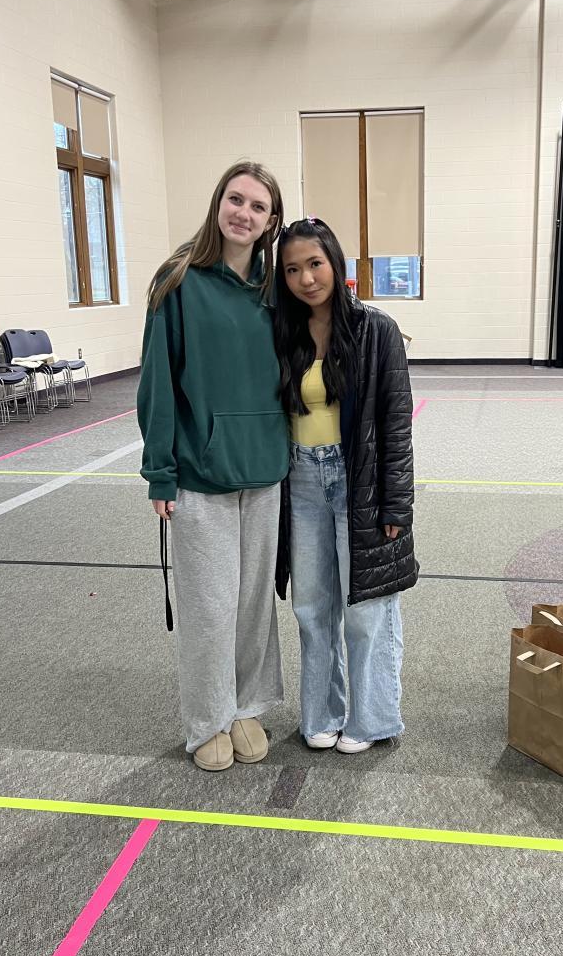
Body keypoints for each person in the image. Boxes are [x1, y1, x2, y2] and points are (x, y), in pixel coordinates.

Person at [137, 162, 288, 773]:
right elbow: (157, 382)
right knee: (209, 607)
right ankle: (207, 719)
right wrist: (160, 471)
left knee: (253, 604)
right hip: (200, 475)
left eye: (257, 206)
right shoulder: (178, 280)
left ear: (270, 221)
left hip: (266, 472)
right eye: (235, 199)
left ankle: (247, 705)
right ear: (217, 203)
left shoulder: (277, 290)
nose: (243, 213)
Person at [274, 217, 417, 753]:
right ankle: (321, 713)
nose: (306, 279)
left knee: (366, 611)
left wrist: (396, 503)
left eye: (315, 264)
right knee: (312, 608)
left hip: (360, 483)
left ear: (335, 262)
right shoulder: (284, 331)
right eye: (292, 270)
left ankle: (372, 718)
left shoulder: (376, 330)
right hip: (301, 481)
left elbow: (396, 422)